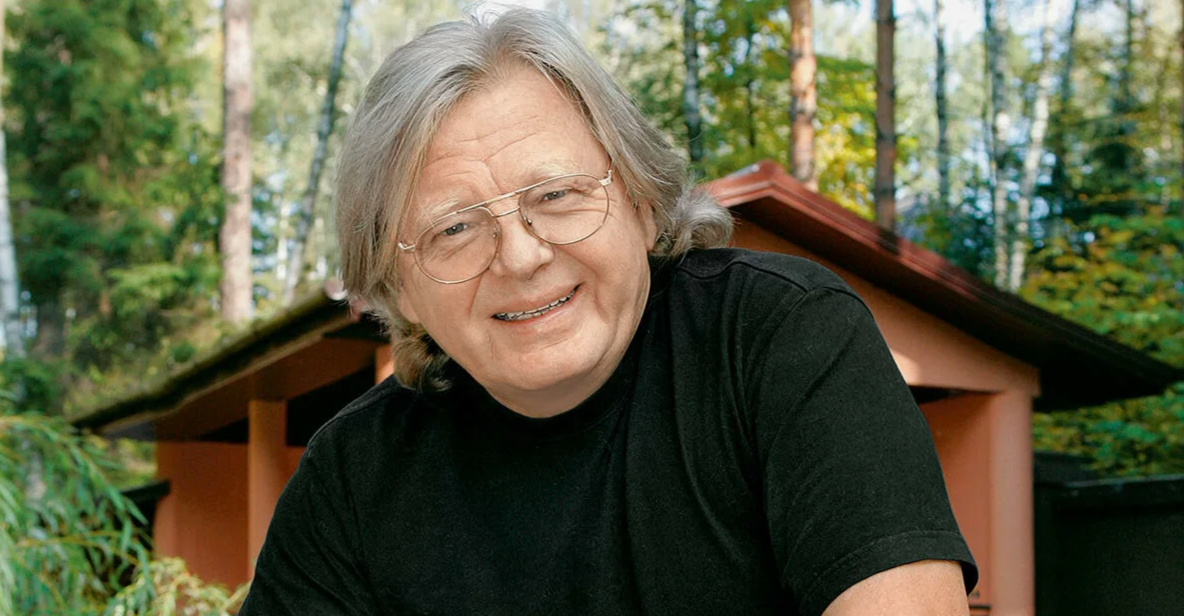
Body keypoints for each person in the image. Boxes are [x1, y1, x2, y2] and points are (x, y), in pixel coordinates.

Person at [239, 7, 978, 616]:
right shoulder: (352, 480)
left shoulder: (782, 337)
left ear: (641, 199)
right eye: (455, 228)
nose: (520, 256)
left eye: (556, 195)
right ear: (400, 289)